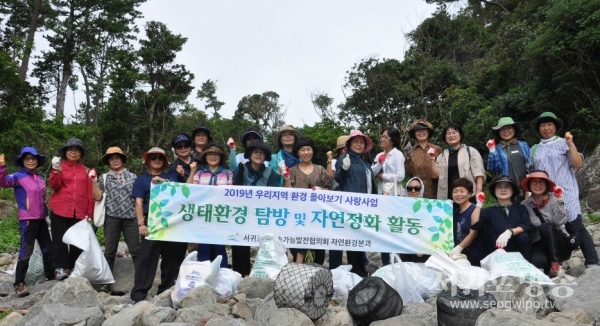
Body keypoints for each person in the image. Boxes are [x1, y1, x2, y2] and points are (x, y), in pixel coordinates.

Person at [529, 111, 598, 268]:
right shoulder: (534, 149)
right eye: (543, 125)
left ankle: (592, 262)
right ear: (538, 128)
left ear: (555, 127)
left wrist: (570, 144)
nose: (546, 128)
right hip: (546, 196)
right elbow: (533, 172)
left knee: (576, 224)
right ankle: (558, 260)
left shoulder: (564, 143)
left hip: (566, 193)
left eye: (550, 125)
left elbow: (578, 164)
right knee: (553, 228)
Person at [130, 147, 188, 303]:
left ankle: (166, 290)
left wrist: (163, 182)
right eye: (153, 157)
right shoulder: (141, 180)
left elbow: (183, 191)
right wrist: (141, 223)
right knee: (146, 258)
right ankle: (139, 293)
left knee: (171, 258)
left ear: (165, 162)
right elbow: (139, 202)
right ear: (147, 160)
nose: (157, 160)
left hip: (172, 221)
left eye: (160, 158)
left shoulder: (172, 175)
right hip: (152, 221)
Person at [0, 148, 54, 297]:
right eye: (27, 159)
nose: (31, 161)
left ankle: (50, 276)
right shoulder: (18, 176)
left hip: (41, 218)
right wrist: (2, 167)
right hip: (28, 219)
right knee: (26, 251)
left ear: (37, 161)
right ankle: (19, 283)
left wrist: (47, 215)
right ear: (23, 161)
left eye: (33, 158)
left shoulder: (40, 178)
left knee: (47, 249)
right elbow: (3, 183)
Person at [49, 138, 98, 280]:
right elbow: (54, 186)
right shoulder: (60, 166)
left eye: (76, 150)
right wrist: (55, 171)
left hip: (80, 210)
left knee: (78, 240)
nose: (73, 152)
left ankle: (73, 267)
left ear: (81, 153)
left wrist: (90, 212)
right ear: (66, 152)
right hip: (60, 208)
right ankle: (60, 268)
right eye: (70, 150)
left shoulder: (87, 170)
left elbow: (90, 193)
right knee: (60, 240)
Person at [332, 130, 376, 276]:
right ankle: (346, 270)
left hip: (365, 205)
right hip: (349, 206)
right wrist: (344, 169)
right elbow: (338, 178)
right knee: (348, 237)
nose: (358, 144)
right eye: (355, 141)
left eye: (361, 142)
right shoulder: (344, 158)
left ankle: (358, 270)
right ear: (349, 144)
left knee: (358, 237)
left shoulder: (364, 162)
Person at [95, 147, 139, 293]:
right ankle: (106, 282)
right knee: (109, 251)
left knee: (135, 250)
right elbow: (97, 197)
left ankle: (141, 279)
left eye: (117, 157)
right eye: (111, 158)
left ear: (122, 159)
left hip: (131, 218)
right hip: (111, 217)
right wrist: (92, 181)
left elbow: (139, 198)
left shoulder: (133, 177)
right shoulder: (104, 178)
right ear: (108, 161)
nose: (114, 160)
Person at [232, 141, 279, 276]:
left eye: (262, 152)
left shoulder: (270, 172)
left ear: (266, 156)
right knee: (240, 240)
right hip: (243, 212)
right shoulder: (242, 168)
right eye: (255, 152)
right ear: (249, 154)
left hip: (263, 213)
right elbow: (235, 189)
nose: (258, 155)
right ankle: (240, 274)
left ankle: (267, 273)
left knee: (268, 241)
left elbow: (274, 193)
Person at [284, 137, 331, 264]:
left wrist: (321, 190)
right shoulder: (292, 171)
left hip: (317, 216)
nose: (306, 153)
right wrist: (287, 178)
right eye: (302, 150)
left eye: (309, 149)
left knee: (318, 250)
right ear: (297, 152)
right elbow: (287, 193)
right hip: (297, 216)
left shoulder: (320, 170)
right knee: (297, 249)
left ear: (313, 151)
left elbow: (329, 189)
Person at [187, 143, 232, 268]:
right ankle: (202, 277)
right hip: (203, 216)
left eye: (216, 154)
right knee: (203, 248)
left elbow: (230, 195)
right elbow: (190, 189)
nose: (213, 157)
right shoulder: (199, 174)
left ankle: (223, 276)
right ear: (205, 157)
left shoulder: (228, 173)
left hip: (219, 215)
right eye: (210, 154)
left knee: (220, 248)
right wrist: (192, 172)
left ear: (221, 157)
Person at [520, 170, 572, 277]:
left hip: (558, 243)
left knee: (545, 227)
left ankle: (556, 261)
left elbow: (559, 223)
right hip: (539, 244)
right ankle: (551, 265)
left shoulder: (554, 200)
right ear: (529, 185)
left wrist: (560, 202)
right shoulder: (524, 205)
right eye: (534, 182)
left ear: (547, 185)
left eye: (541, 182)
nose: (538, 185)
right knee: (538, 262)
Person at [473, 175, 533, 261]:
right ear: (494, 191)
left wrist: (510, 232)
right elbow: (475, 225)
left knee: (524, 237)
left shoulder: (521, 208)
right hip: (498, 253)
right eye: (499, 187)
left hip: (520, 253)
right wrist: (479, 204)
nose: (503, 190)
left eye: (507, 187)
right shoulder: (488, 211)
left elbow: (527, 226)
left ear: (512, 190)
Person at [430, 122, 486, 200]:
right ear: (444, 137)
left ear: (460, 135)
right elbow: (435, 175)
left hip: (469, 196)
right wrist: (432, 159)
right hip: (448, 197)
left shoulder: (470, 151)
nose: (451, 135)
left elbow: (479, 174)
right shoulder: (442, 156)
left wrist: (478, 192)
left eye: (454, 132)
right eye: (448, 133)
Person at [486, 117, 531, 202]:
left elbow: (532, 165)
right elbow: (492, 168)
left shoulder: (524, 146)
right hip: (506, 189)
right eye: (502, 129)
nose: (506, 131)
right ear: (498, 132)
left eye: (509, 128)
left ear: (514, 130)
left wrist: (530, 187)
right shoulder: (496, 149)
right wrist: (492, 151)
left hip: (525, 189)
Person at [447, 178, 488, 266]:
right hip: (460, 253)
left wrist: (459, 247)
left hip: (475, 254)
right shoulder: (455, 213)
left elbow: (474, 231)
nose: (458, 194)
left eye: (462, 191)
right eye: (455, 191)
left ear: (469, 194)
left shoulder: (475, 209)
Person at [404, 119, 442, 199]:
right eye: (418, 130)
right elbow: (408, 172)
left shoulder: (437, 149)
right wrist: (408, 157)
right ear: (414, 133)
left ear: (428, 132)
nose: (421, 132)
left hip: (436, 193)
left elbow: (442, 172)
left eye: (424, 130)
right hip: (416, 193)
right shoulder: (410, 150)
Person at [371, 127, 405, 196]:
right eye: (382, 137)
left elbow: (400, 176)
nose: (382, 139)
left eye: (385, 137)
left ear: (392, 140)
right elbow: (372, 173)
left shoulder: (398, 154)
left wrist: (383, 176)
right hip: (381, 193)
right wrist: (379, 163)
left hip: (394, 194)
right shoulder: (379, 155)